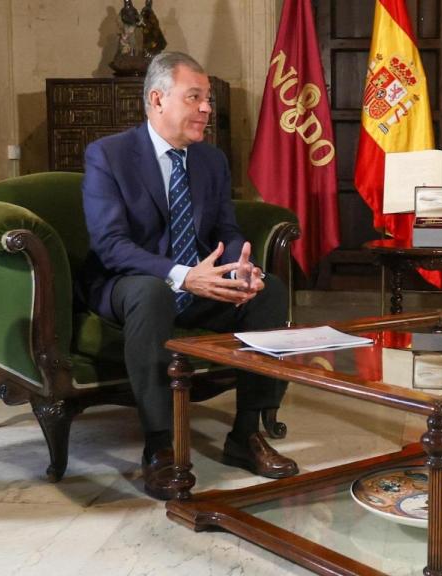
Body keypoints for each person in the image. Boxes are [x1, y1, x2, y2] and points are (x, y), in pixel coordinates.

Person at [79, 52, 298, 500]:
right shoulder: (109, 155)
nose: (206, 109)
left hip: (197, 282)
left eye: (208, 99)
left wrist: (243, 267)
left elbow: (226, 232)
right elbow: (111, 245)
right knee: (151, 293)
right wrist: (181, 275)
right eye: (194, 97)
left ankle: (245, 434)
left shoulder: (211, 161)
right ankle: (161, 448)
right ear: (157, 99)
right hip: (129, 281)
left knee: (268, 292)